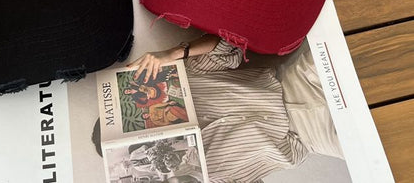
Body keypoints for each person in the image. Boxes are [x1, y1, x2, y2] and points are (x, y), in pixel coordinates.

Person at [127, 34, 343, 183]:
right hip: (308, 136)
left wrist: (172, 53)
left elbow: (228, 46)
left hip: (295, 82)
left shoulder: (181, 84)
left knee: (352, 47)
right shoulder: (205, 175)